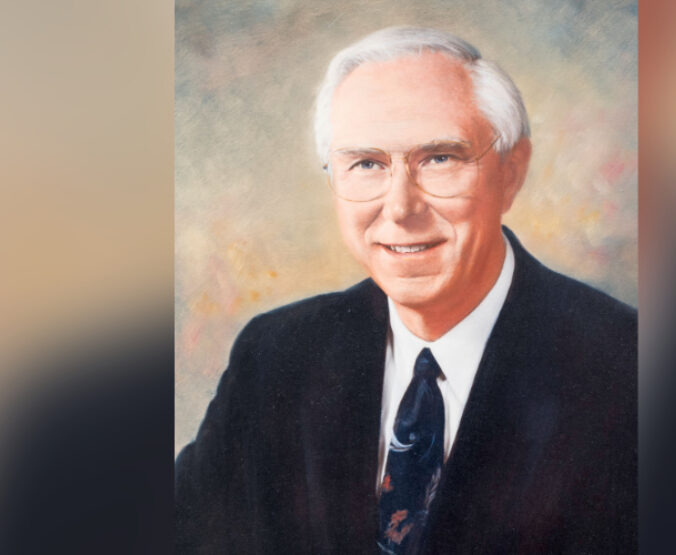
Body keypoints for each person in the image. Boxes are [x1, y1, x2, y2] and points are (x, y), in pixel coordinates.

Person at [175, 26, 637, 554]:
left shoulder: (630, 368)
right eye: (367, 164)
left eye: (440, 158)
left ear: (512, 173)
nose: (400, 207)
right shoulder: (275, 356)